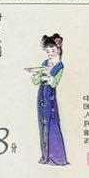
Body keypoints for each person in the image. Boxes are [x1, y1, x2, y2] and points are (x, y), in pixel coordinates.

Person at [30, 34, 69, 166]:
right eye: (48, 51)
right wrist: (35, 74)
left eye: (53, 50)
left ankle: (57, 158)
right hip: (41, 95)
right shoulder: (44, 63)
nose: (50, 53)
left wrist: (48, 76)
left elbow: (54, 83)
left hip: (50, 97)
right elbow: (36, 82)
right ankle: (45, 156)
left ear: (58, 49)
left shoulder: (60, 66)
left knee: (52, 123)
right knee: (42, 123)